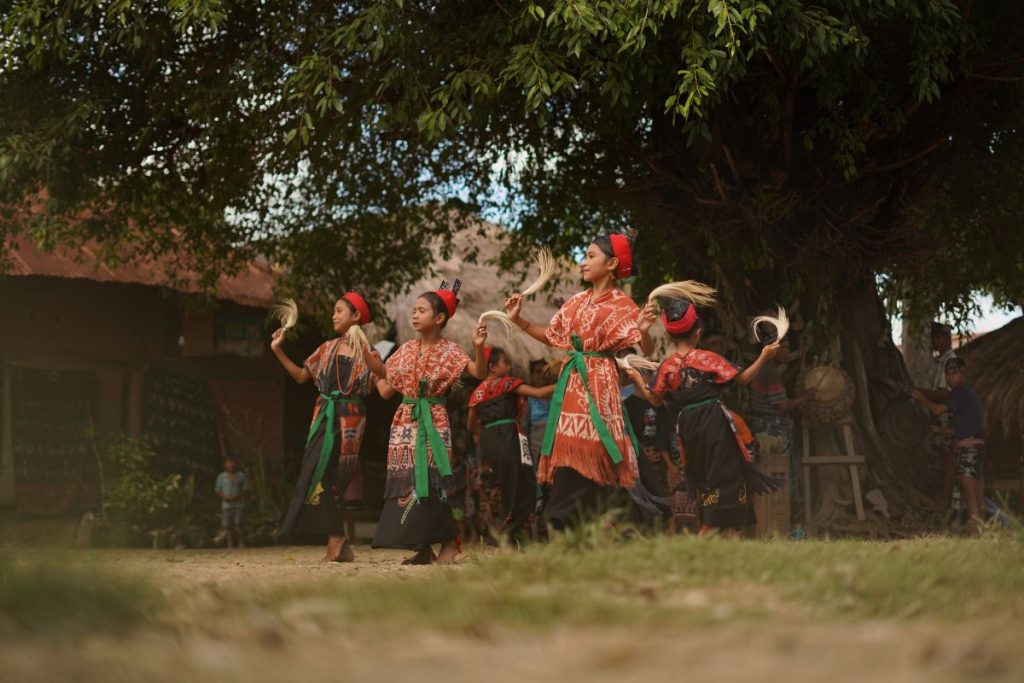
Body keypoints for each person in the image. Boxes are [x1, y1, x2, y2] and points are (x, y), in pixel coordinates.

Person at [505, 232, 656, 529]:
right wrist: (517, 320)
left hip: (600, 386)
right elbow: (552, 336)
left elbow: (647, 350)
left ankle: (563, 517)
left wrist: (646, 329)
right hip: (572, 385)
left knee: (594, 450)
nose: (583, 263)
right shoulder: (576, 302)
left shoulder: (623, 305)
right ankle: (590, 521)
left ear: (611, 263)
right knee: (577, 452)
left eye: (590, 256)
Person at [627, 297, 781, 535]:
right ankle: (710, 530)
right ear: (698, 333)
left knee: (704, 475)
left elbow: (655, 399)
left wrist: (638, 378)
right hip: (713, 422)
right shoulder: (707, 358)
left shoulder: (667, 367)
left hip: (688, 427)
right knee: (728, 475)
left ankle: (719, 532)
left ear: (668, 336)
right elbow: (743, 379)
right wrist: (764, 355)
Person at [372, 280, 489, 564]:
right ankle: (423, 548)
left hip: (433, 422)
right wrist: (368, 356)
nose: (414, 314)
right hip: (405, 422)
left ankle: (449, 543)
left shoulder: (450, 351)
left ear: (438, 319)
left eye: (421, 310)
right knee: (409, 481)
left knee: (431, 481)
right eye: (414, 309)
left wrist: (478, 347)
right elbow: (385, 379)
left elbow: (479, 372)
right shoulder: (406, 349)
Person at [274, 291, 380, 562]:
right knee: (319, 476)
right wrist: (278, 350)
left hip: (349, 422)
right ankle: (338, 541)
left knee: (328, 479)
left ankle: (337, 540)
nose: (334, 315)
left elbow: (384, 388)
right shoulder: (326, 348)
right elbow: (300, 376)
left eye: (339, 310)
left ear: (355, 316)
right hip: (324, 417)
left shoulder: (369, 354)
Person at [467, 347, 556, 546]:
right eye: (504, 362)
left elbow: (470, 425)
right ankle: (506, 536)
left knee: (507, 487)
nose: (508, 366)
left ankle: (509, 537)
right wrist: (567, 381)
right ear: (491, 367)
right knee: (523, 487)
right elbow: (540, 393)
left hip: (489, 440)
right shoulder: (508, 383)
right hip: (508, 437)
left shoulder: (477, 393)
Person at [911, 357, 986, 534]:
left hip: (970, 449)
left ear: (962, 375)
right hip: (971, 447)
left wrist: (919, 396)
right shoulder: (965, 395)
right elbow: (961, 429)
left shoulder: (960, 393)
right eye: (947, 374)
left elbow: (937, 410)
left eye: (954, 373)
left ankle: (977, 532)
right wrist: (939, 429)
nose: (949, 377)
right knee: (972, 492)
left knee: (969, 492)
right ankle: (978, 528)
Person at [749, 337, 815, 523]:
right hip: (774, 428)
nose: (787, 352)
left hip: (762, 425)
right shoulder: (770, 372)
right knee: (784, 470)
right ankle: (785, 519)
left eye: (788, 348)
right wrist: (806, 398)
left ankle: (767, 516)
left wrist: (798, 364)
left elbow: (780, 379)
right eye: (783, 348)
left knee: (768, 469)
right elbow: (783, 406)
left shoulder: (765, 370)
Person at [914, 322, 959, 511]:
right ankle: (944, 499)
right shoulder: (938, 361)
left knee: (949, 460)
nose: (935, 341)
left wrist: (919, 394)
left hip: (948, 416)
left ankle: (946, 501)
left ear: (948, 338)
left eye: (939, 337)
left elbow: (944, 394)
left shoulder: (950, 361)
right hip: (940, 416)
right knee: (943, 459)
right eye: (933, 337)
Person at [215, 455, 249, 549]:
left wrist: (237, 496)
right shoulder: (221, 477)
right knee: (227, 525)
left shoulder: (241, 476)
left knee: (239, 523)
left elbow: (245, 488)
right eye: (229, 462)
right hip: (226, 504)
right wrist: (224, 497)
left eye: (233, 462)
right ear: (225, 464)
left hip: (239, 503)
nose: (231, 465)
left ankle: (241, 542)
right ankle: (230, 544)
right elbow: (218, 489)